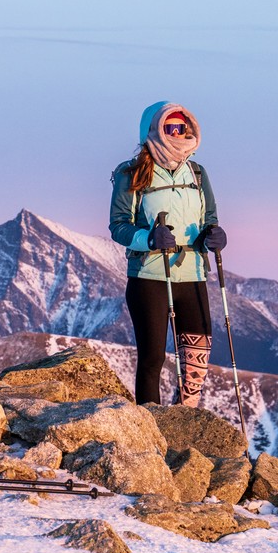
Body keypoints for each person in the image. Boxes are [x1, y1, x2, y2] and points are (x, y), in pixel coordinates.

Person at [108, 101, 226, 404]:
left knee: (196, 363)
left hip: (193, 274)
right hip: (149, 276)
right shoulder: (132, 173)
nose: (176, 134)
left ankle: (185, 421)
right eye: (169, 127)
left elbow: (209, 220)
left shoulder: (197, 174)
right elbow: (118, 226)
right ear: (153, 130)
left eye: (181, 128)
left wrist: (213, 236)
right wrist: (149, 239)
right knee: (152, 360)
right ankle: (150, 425)